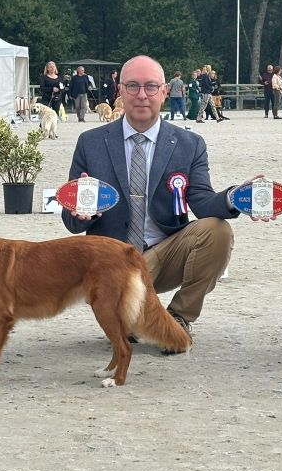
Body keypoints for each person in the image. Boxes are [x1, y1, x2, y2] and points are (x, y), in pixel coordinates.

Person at [62, 55, 244, 334]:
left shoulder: (190, 144)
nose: (142, 95)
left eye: (150, 87)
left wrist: (235, 197)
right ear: (120, 91)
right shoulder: (90, 143)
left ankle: (179, 316)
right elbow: (72, 223)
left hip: (165, 254)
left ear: (164, 92)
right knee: (133, 331)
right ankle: (137, 317)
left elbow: (203, 203)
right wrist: (81, 213)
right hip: (112, 264)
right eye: (132, 86)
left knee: (218, 230)